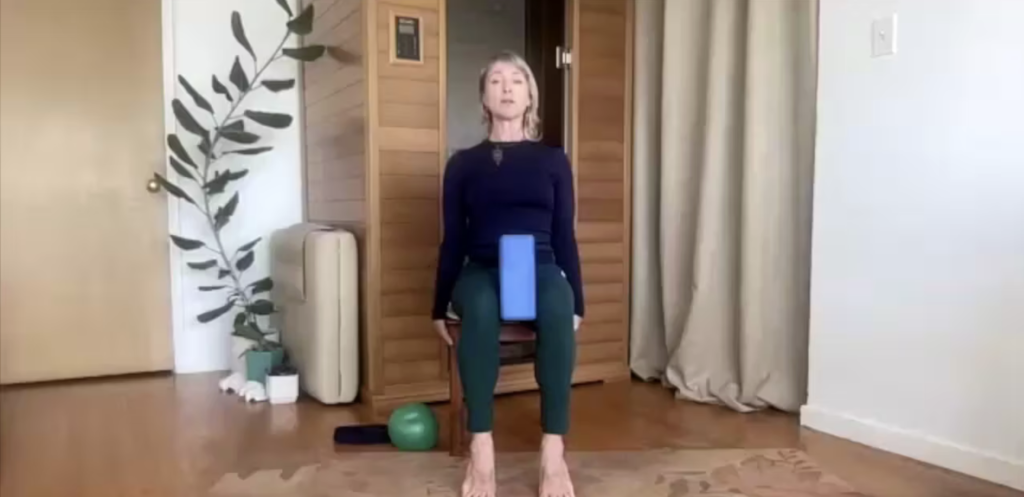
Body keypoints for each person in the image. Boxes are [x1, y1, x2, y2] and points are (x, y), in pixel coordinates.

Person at [431, 50, 584, 497]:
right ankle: (482, 452)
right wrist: (438, 305)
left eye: (516, 80)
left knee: (557, 304)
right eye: (496, 80)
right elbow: (452, 240)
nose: (506, 88)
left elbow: (563, 235)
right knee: (478, 305)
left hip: (538, 264)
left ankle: (553, 453)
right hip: (481, 267)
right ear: (483, 96)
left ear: (529, 95)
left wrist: (577, 297)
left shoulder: (553, 160)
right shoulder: (462, 164)